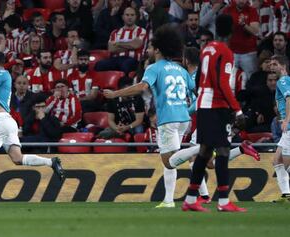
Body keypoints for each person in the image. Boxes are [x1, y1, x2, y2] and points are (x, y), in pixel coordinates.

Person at [104, 25, 194, 208]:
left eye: (151, 47)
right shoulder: (181, 69)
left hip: (168, 118)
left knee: (168, 160)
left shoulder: (154, 67)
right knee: (170, 161)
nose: (149, 51)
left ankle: (201, 150)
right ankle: (169, 201)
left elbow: (141, 87)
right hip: (183, 117)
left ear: (159, 49)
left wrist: (115, 94)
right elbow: (194, 92)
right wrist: (188, 109)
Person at [0, 50, 65, 201]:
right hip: (7, 122)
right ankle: (51, 162)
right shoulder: (0, 77)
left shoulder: (2, 74)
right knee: (17, 158)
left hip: (1, 121)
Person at [182, 14, 247, 212]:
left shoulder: (206, 49)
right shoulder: (225, 51)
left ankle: (191, 199)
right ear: (231, 30)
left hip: (203, 104)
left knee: (205, 151)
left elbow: (197, 81)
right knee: (223, 150)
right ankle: (224, 201)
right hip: (216, 106)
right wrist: (237, 110)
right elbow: (222, 82)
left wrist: (202, 96)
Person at [95, 7, 147, 75]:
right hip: (116, 59)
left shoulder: (141, 31)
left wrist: (117, 44)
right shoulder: (115, 32)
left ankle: (125, 84)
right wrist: (130, 45)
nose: (129, 17)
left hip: (133, 60)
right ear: (123, 17)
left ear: (136, 17)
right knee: (99, 65)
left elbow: (136, 45)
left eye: (132, 15)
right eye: (127, 15)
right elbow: (111, 48)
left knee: (126, 65)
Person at [223, 0, 260, 80]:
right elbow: (223, 33)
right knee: (229, 79)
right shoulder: (227, 10)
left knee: (251, 79)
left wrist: (244, 24)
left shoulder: (252, 10)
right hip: (231, 52)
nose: (241, 1)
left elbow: (255, 31)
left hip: (249, 52)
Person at [270, 55, 290, 202]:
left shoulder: (283, 80)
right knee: (277, 161)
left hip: (289, 126)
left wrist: (287, 120)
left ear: (283, 66)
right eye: (271, 64)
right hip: (287, 127)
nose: (272, 67)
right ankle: (286, 194)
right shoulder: (286, 81)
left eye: (275, 64)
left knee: (287, 164)